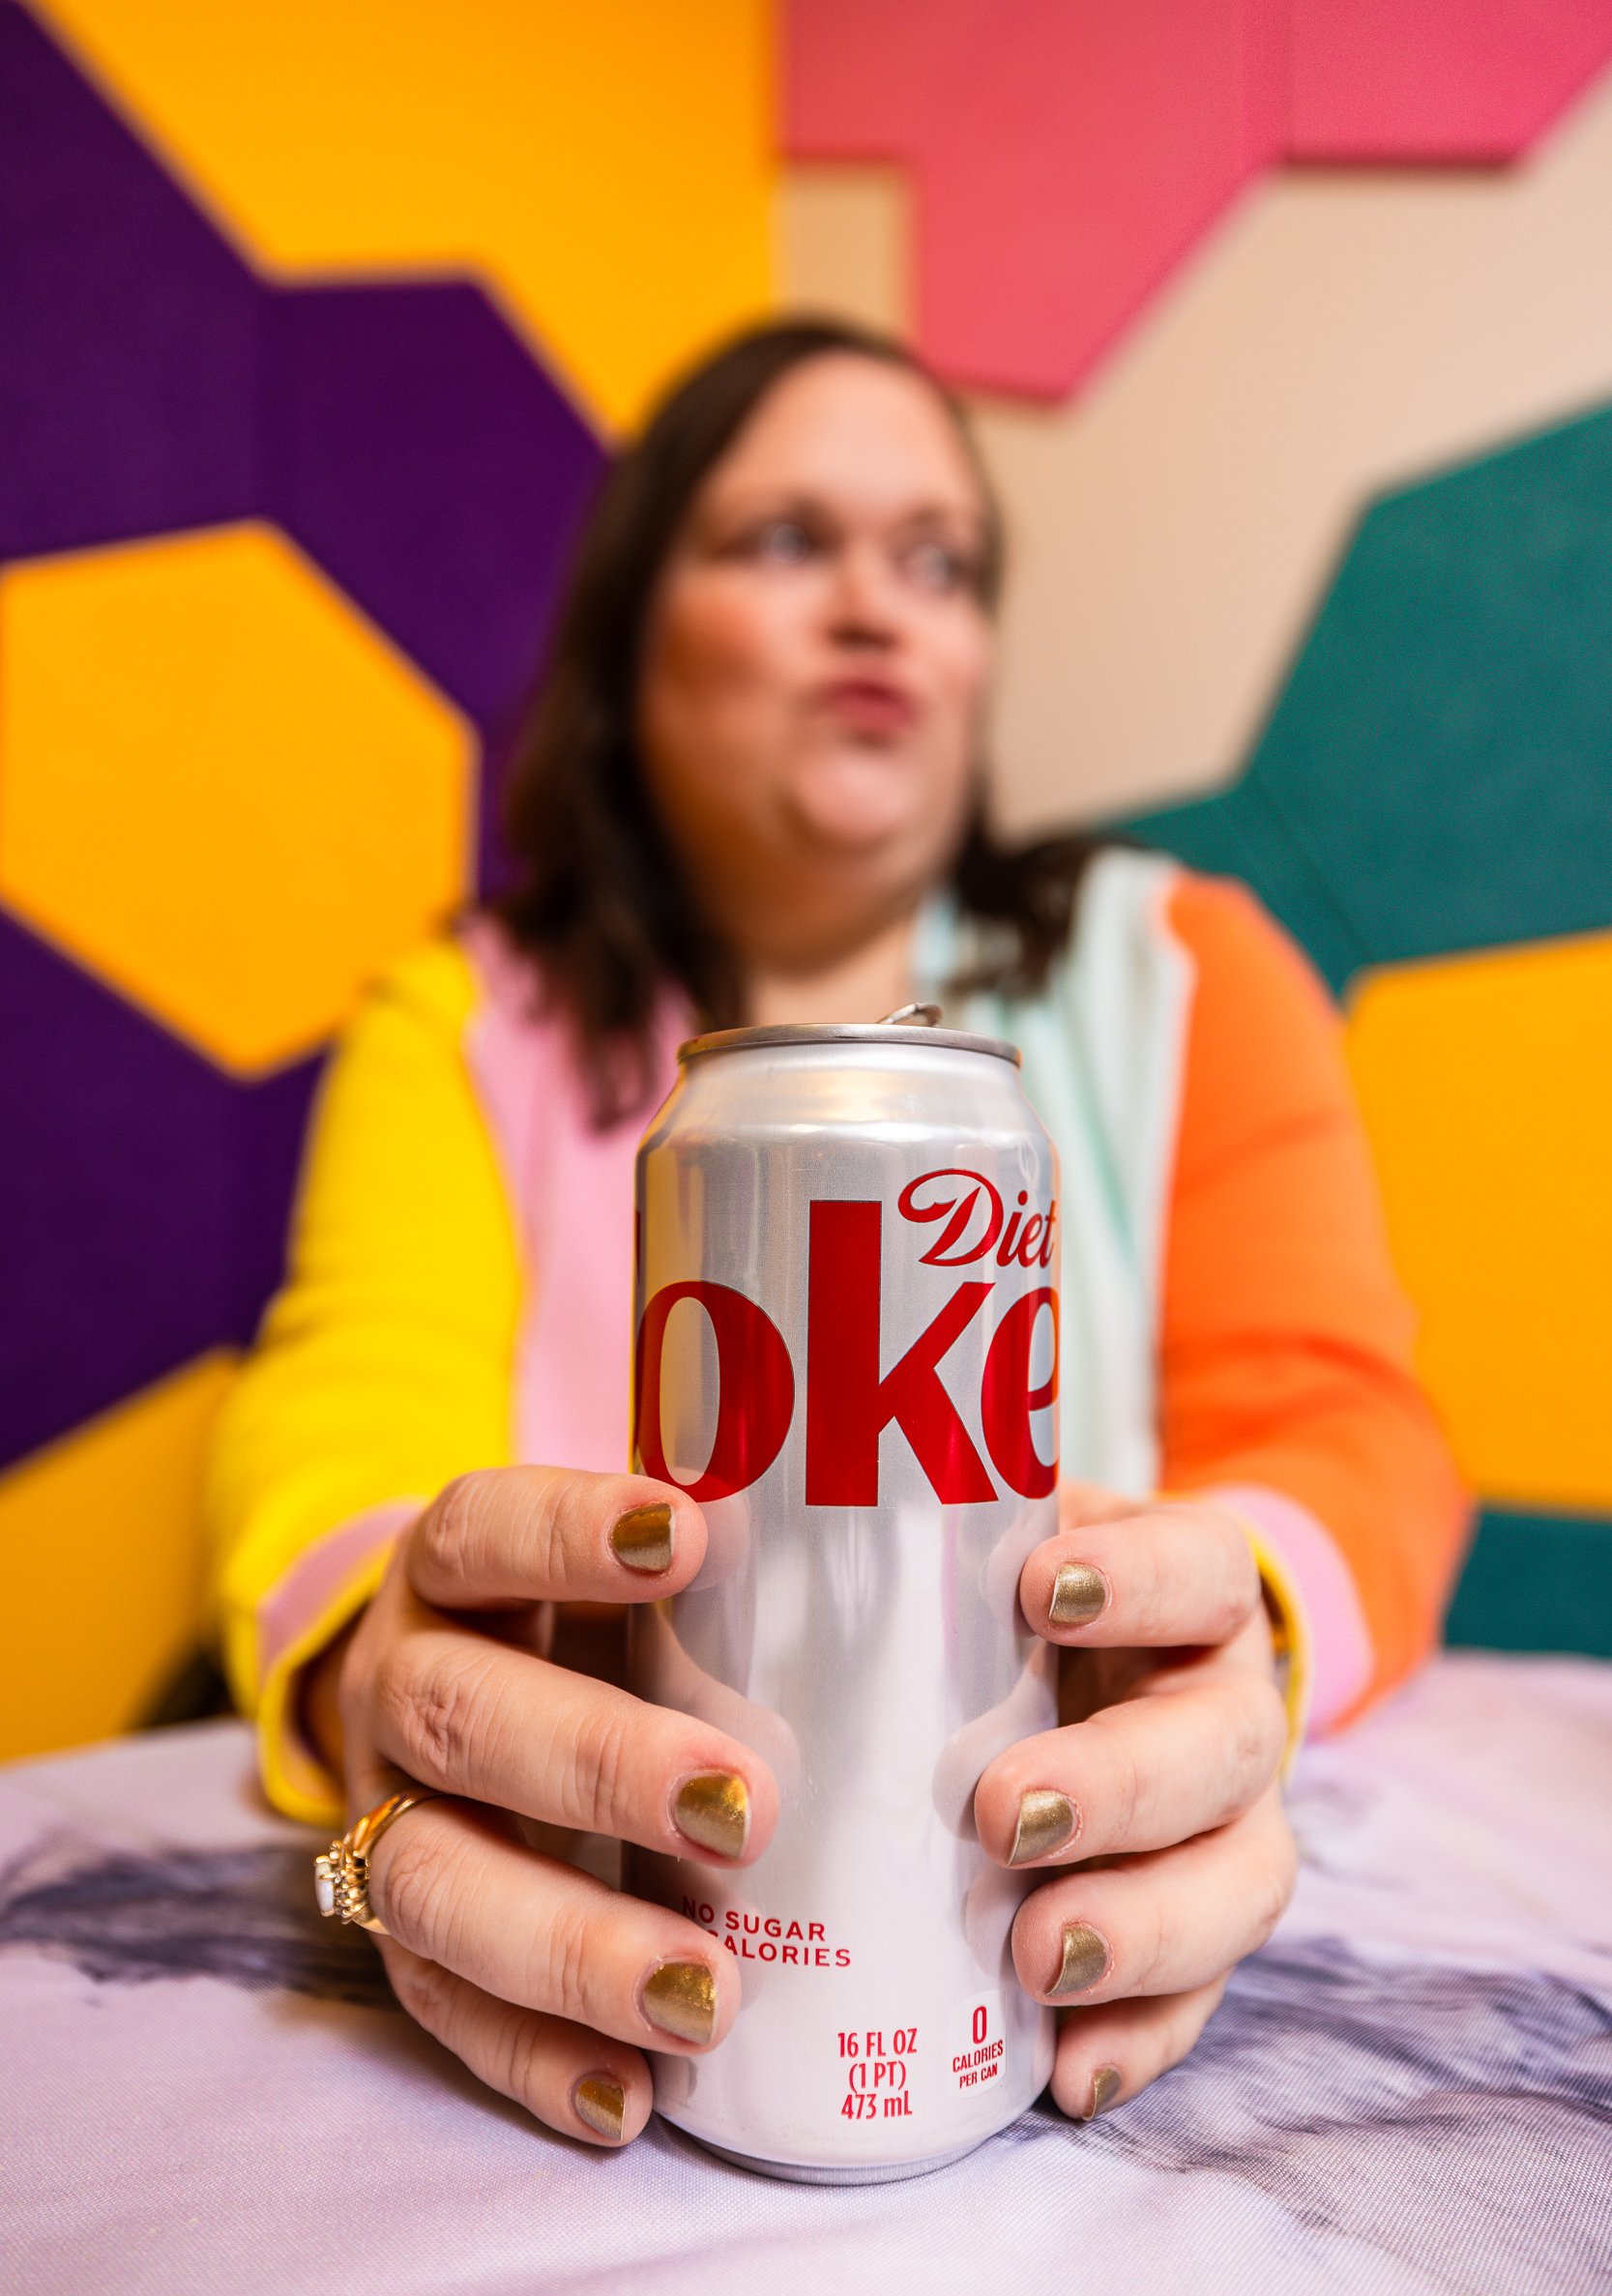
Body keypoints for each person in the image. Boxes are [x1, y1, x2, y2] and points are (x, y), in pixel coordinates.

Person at [207, 318, 1470, 2153]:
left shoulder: (1186, 972)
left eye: (938, 561)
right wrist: (378, 1685)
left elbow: (1351, 1428)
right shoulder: (463, 1022)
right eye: (788, 540)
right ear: (635, 635)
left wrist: (1227, 1645)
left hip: (1011, 1928)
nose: (878, 608)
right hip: (639, 1956)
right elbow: (345, 1405)